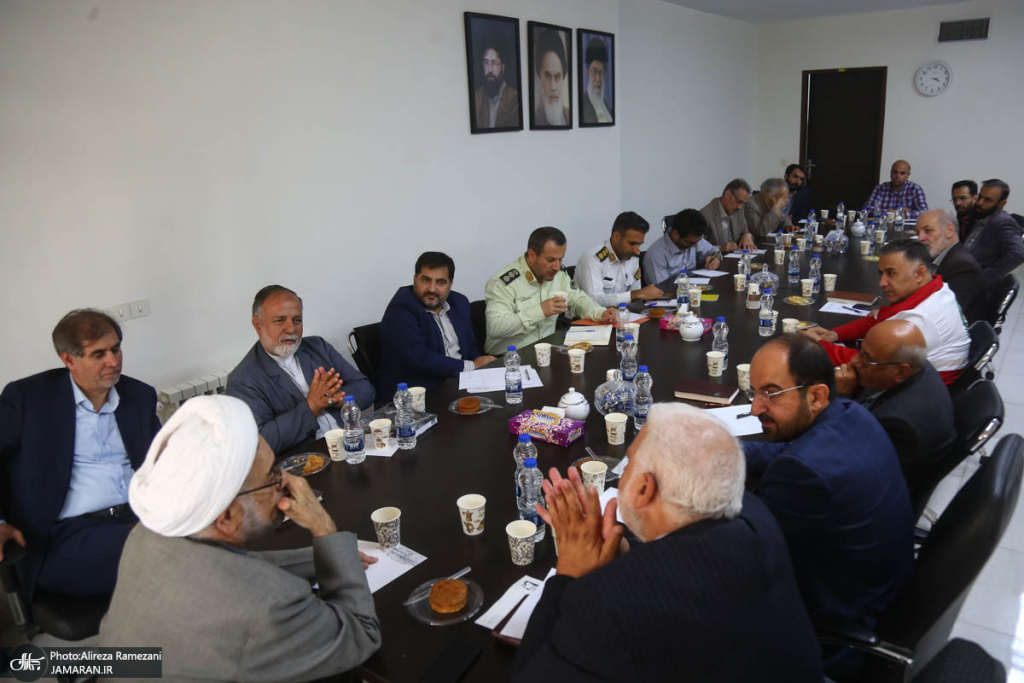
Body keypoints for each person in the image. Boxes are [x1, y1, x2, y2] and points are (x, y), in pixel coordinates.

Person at [512, 403, 824, 682]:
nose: (623, 472)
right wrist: (625, 551)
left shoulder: (605, 605)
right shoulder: (757, 515)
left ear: (644, 489)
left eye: (628, 464)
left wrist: (568, 573)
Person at [99, 395, 381, 680]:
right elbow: (360, 634)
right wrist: (323, 527)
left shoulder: (146, 534)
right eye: (272, 476)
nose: (290, 481)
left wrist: (327, 557)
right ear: (226, 516)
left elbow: (234, 569)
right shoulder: (268, 608)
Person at [744, 335, 915, 676]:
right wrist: (721, 448)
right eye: (755, 392)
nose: (755, 408)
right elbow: (789, 453)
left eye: (771, 393)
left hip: (829, 633)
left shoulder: (804, 474)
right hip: (879, 596)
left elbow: (740, 552)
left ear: (817, 396)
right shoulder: (852, 414)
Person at [0, 309, 160, 601]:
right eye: (99, 354)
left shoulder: (138, 396)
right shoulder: (28, 400)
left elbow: (163, 463)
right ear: (69, 360)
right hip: (68, 535)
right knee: (167, 555)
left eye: (116, 349)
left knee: (210, 536)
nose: (113, 361)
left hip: (142, 518)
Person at [226, 285, 375, 453]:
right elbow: (261, 442)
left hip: (352, 441)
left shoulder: (318, 347)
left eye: (297, 320)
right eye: (280, 320)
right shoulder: (243, 380)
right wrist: (311, 406)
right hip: (309, 459)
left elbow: (366, 389)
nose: (291, 329)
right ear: (258, 325)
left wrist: (339, 399)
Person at [801, 240, 970, 385]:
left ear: (920, 273)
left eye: (891, 274)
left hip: (916, 391)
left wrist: (819, 347)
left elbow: (870, 364)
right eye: (881, 274)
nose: (882, 283)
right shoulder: (936, 288)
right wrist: (834, 334)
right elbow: (879, 319)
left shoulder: (918, 320)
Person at [835, 320, 956, 491]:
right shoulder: (917, 365)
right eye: (860, 351)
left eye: (867, 359)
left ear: (901, 371)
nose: (854, 361)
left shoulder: (899, 423)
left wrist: (842, 398)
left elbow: (841, 449)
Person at [484, 227, 615, 355]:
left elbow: (578, 299)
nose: (557, 267)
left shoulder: (558, 275)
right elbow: (495, 327)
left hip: (548, 351)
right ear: (532, 255)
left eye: (561, 259)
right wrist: (540, 311)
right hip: (511, 357)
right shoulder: (503, 283)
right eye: (550, 260)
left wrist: (601, 313)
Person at [379, 252, 496, 392]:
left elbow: (470, 348)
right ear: (415, 280)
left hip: (462, 383)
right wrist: (471, 366)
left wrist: (483, 367)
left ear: (450, 284)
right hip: (420, 392)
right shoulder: (401, 308)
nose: (432, 289)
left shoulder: (459, 302)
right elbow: (419, 357)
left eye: (440, 282)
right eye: (425, 280)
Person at [573, 211, 664, 306]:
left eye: (639, 244)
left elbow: (636, 296)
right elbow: (594, 300)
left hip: (621, 313)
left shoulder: (633, 257)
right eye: (632, 243)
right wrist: (635, 295)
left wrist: (639, 295)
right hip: (588, 314)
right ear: (616, 237)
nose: (636, 250)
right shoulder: (593, 258)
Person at [915, 207, 986, 323]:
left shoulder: (963, 267)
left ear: (949, 231)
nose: (920, 238)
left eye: (928, 231)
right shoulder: (947, 256)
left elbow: (942, 317)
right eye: (918, 233)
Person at [963, 179, 1024, 284]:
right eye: (980, 197)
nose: (980, 202)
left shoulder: (1003, 222)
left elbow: (1018, 254)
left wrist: (985, 277)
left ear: (1001, 204)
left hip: (973, 283)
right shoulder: (981, 216)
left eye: (988, 200)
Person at [642, 209, 722, 285]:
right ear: (675, 234)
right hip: (674, 292)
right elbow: (661, 288)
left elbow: (713, 250)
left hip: (694, 287)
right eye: (691, 243)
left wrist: (715, 257)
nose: (695, 246)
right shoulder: (656, 255)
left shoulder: (693, 238)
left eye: (698, 241)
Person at [474, 34, 519, 129]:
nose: (490, 69)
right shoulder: (476, 97)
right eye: (486, 63)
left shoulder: (513, 98)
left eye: (494, 63)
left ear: (503, 67)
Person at [699, 179, 755, 253]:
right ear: (727, 194)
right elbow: (698, 247)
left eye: (743, 204)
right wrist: (720, 248)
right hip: (715, 258)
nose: (739, 207)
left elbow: (746, 235)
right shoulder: (705, 215)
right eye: (739, 201)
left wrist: (747, 235)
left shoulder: (739, 211)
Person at [863, 159, 929, 219]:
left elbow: (925, 213)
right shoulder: (879, 189)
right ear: (891, 172)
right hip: (882, 226)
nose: (898, 176)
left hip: (906, 227)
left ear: (908, 175)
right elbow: (866, 210)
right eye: (895, 172)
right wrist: (890, 212)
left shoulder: (915, 189)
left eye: (902, 173)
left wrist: (905, 215)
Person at [533, 29, 569, 126]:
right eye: (548, 76)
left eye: (557, 77)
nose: (553, 87)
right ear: (540, 76)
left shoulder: (570, 116)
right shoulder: (536, 120)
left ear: (563, 77)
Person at [581, 37, 613, 124]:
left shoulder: (609, 110)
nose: (598, 78)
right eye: (594, 72)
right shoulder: (582, 107)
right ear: (588, 72)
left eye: (600, 73)